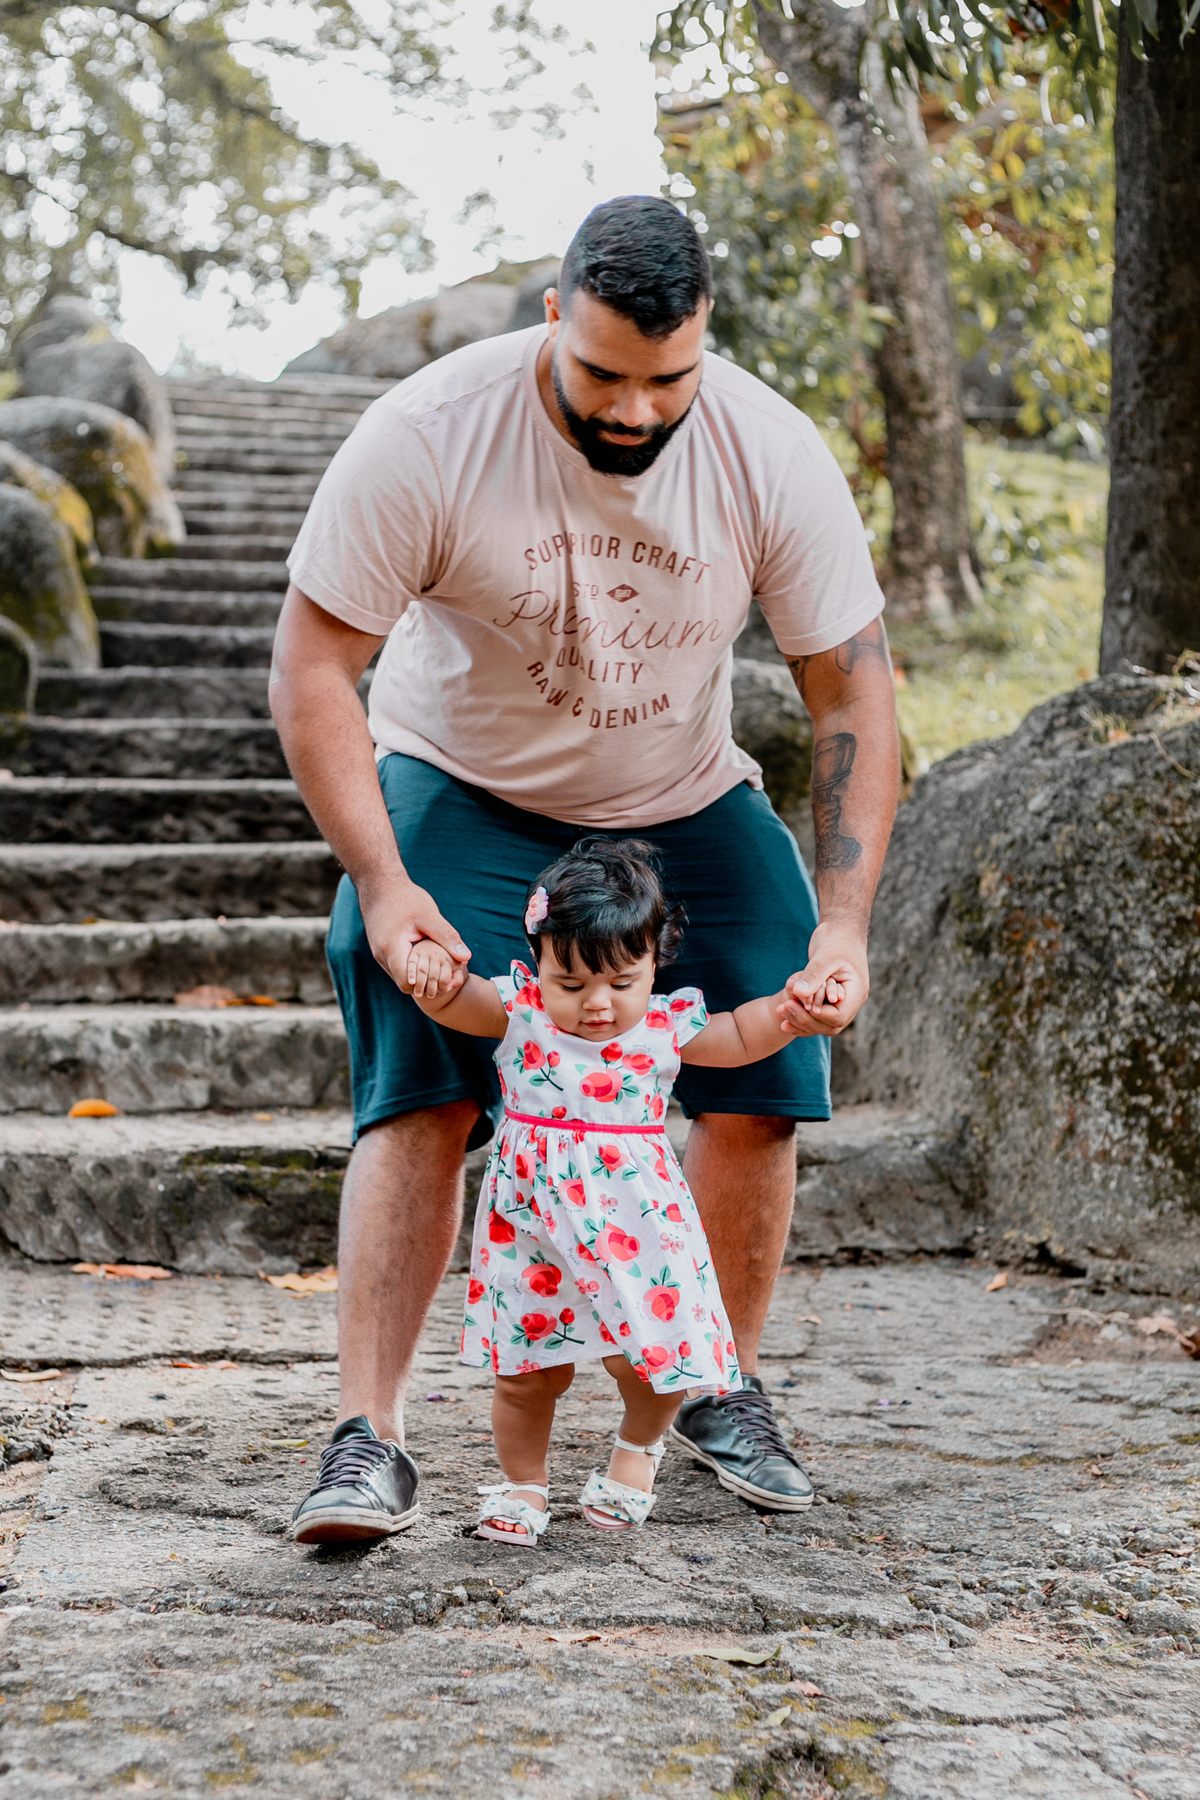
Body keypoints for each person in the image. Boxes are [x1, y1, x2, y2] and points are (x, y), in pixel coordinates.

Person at [272, 194, 900, 1546]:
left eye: (663, 379)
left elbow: (854, 698)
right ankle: (367, 1437)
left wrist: (842, 921)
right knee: (419, 1065)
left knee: (770, 1047)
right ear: (553, 316)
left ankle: (713, 1380)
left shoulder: (768, 452)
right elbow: (314, 670)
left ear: (705, 344)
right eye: (602, 372)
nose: (631, 409)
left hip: (680, 794)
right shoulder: (429, 433)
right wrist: (384, 883)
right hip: (463, 782)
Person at [402, 838, 834, 1545]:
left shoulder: (663, 1026)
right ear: (537, 963)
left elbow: (736, 1033)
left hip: (637, 1228)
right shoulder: (521, 1013)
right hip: (534, 1228)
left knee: (650, 1361)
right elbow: (456, 1000)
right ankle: (522, 1487)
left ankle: (636, 1457)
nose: (596, 1005)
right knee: (527, 1374)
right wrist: (427, 974)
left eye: (621, 982)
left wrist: (790, 1013)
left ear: (655, 962)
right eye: (569, 984)